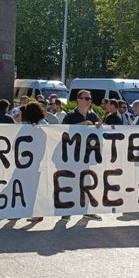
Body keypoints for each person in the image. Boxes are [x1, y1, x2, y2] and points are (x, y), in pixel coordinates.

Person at [57, 90, 101, 222]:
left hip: (86, 156)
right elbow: (62, 132)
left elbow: (99, 132)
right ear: (78, 100)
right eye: (86, 98)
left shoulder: (93, 115)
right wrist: (80, 125)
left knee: (86, 183)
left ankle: (86, 210)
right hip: (72, 155)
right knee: (71, 182)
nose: (89, 101)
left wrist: (99, 126)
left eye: (90, 99)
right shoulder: (70, 116)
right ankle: (67, 211)